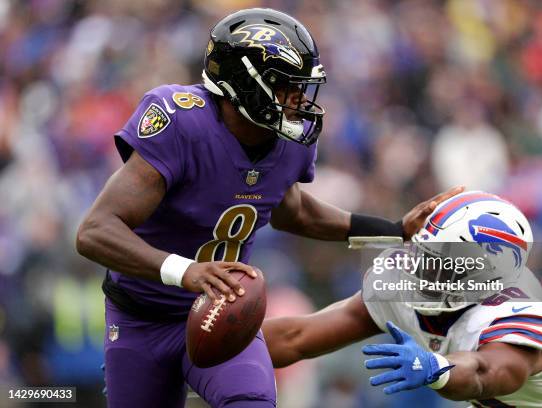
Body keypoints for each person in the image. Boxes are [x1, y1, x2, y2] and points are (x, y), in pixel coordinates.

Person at [75, 8, 461, 408]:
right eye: (287, 86)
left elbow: (292, 210)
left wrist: (394, 229)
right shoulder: (182, 122)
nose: (300, 100)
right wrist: (185, 270)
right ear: (245, 83)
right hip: (141, 318)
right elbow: (95, 232)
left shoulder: (288, 139)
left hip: (223, 313)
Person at [263, 191, 542, 407]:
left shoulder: (515, 307)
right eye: (425, 254)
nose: (425, 271)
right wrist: (217, 350)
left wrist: (437, 369)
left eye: (445, 262)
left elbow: (486, 372)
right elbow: (298, 337)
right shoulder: (400, 279)